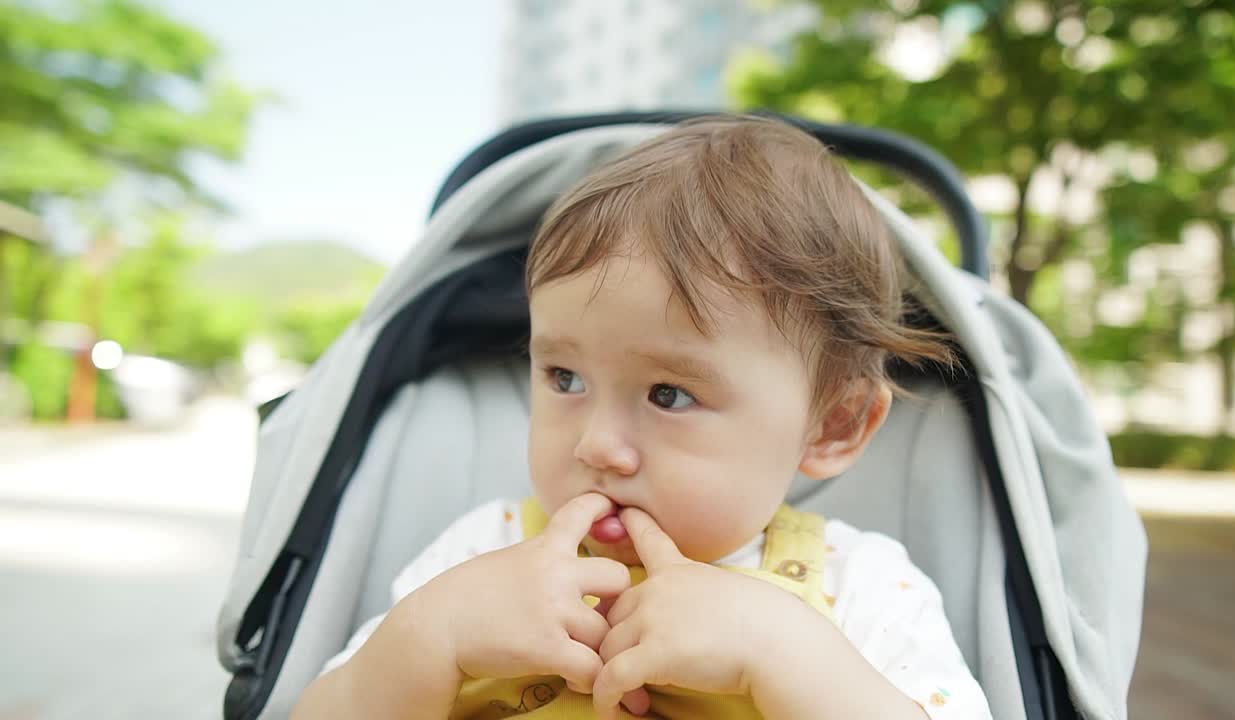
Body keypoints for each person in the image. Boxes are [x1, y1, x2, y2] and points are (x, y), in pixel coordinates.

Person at [292, 116, 992, 719]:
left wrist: (785, 655)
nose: (596, 446)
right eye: (565, 378)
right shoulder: (483, 553)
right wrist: (428, 639)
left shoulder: (858, 585)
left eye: (669, 395)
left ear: (834, 425)